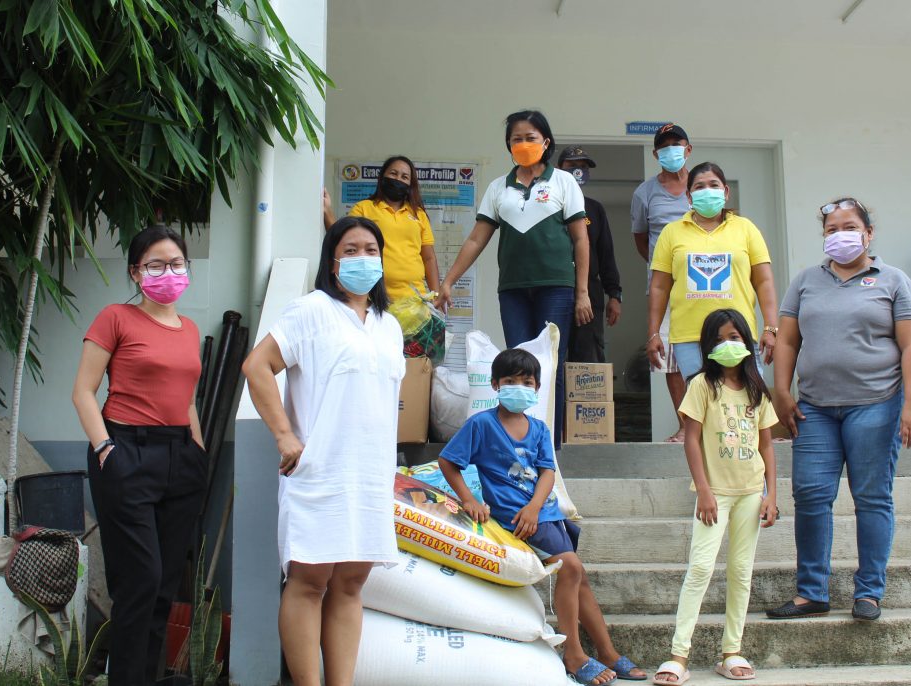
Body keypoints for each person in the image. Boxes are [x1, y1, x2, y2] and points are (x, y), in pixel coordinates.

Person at [241, 217, 405, 685]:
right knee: (309, 582)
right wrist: (284, 435)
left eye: (370, 249)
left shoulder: (388, 326)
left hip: (369, 474)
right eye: (350, 250)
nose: (362, 258)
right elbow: (257, 366)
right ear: (332, 264)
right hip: (318, 469)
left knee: (351, 584)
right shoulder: (311, 310)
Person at [438, 349, 646, 685]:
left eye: (526, 382)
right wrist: (468, 500)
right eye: (510, 381)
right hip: (514, 518)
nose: (518, 387)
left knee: (579, 579)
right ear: (494, 385)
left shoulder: (538, 428)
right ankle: (575, 655)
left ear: (536, 389)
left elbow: (548, 472)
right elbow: (448, 462)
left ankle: (606, 651)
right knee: (573, 568)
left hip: (545, 514)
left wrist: (536, 508)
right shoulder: (481, 424)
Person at [766, 197, 911, 622]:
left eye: (849, 226)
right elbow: (786, 340)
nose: (840, 235)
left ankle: (869, 592)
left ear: (869, 233)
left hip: (876, 405)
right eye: (831, 229)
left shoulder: (893, 280)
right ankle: (811, 592)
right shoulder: (804, 282)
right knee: (811, 495)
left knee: (871, 497)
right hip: (815, 408)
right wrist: (781, 391)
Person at [72, 226, 206, 685]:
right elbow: (84, 391)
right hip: (126, 450)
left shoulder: (189, 329)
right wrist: (106, 447)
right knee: (139, 582)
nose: (167, 272)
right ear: (135, 271)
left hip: (180, 457)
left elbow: (186, 398)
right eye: (155, 264)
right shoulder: (115, 318)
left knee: (165, 587)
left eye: (176, 263)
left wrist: (198, 450)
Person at [435, 110, 592, 449]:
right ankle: (520, 439)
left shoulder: (564, 182)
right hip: (513, 290)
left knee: (551, 363)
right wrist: (449, 282)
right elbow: (477, 239)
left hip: (557, 287)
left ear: (546, 141)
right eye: (516, 138)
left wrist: (583, 293)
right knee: (519, 361)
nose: (523, 144)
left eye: (530, 137)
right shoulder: (497, 188)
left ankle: (550, 444)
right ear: (509, 144)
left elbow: (581, 239)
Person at [653, 309, 778, 685]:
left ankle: (732, 651)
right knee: (701, 569)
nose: (729, 345)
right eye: (721, 338)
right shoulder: (701, 386)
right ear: (709, 345)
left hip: (751, 494)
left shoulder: (758, 390)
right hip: (715, 496)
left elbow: (767, 446)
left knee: (741, 572)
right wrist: (703, 490)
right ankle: (678, 655)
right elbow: (691, 439)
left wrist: (772, 493)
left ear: (748, 343)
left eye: (736, 337)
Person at [647, 162, 779, 442]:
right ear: (688, 195)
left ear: (726, 191)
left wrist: (771, 327)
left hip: (738, 335)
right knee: (703, 410)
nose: (707, 191)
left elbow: (764, 281)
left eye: (713, 185)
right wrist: (654, 332)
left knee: (746, 406)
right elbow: (659, 286)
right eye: (699, 186)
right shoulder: (672, 232)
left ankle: (750, 472)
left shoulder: (746, 229)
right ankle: (707, 478)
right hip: (689, 336)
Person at [631, 123, 693, 429]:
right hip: (665, 287)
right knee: (670, 357)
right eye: (664, 146)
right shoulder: (644, 193)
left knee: (713, 352)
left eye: (676, 144)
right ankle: (685, 425)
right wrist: (663, 269)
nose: (671, 150)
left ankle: (711, 424)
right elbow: (641, 238)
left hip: (707, 284)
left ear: (688, 149)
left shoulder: (702, 188)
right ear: (656, 153)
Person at [558, 145, 622, 363]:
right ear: (559, 169)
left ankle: (586, 399)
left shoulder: (594, 209)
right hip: (555, 289)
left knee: (588, 357)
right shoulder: (548, 205)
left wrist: (614, 294)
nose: (578, 171)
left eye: (583, 167)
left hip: (590, 294)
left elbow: (606, 254)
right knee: (552, 354)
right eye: (572, 166)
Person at [348, 156, 440, 302]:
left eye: (404, 177)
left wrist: (436, 296)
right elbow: (342, 241)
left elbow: (429, 258)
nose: (398, 179)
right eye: (393, 173)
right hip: (375, 299)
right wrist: (328, 214)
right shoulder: (363, 208)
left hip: (415, 301)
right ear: (382, 176)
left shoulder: (419, 214)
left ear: (410, 184)